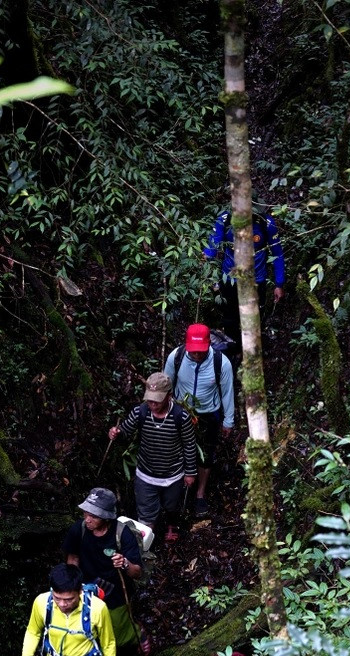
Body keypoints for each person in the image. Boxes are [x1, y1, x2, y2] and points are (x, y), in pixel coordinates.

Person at [108, 372, 196, 543]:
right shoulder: (140, 412)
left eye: (157, 399)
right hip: (146, 473)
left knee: (172, 505)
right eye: (150, 399)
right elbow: (126, 431)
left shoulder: (181, 417)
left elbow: (189, 445)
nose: (152, 403)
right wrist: (117, 433)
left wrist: (190, 472)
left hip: (173, 474)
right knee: (146, 511)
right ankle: (144, 545)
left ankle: (171, 525)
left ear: (169, 396)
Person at [63, 486, 151, 654]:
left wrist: (124, 563)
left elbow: (137, 572)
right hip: (86, 587)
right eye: (86, 513)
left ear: (106, 518)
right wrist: (72, 585)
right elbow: (73, 558)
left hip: (115, 591)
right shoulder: (78, 530)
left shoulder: (122, 534)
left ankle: (137, 634)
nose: (87, 519)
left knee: (119, 636)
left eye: (93, 516)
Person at [164, 323, 234, 517]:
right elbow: (166, 385)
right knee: (177, 449)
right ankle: (176, 490)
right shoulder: (176, 357)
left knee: (206, 454)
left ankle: (200, 494)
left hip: (208, 413)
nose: (196, 355)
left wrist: (228, 420)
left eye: (200, 352)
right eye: (193, 352)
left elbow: (228, 392)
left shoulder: (221, 363)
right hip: (181, 411)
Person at [203, 207, 286, 341]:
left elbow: (277, 253)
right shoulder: (225, 219)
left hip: (256, 281)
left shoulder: (266, 222)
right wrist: (210, 277)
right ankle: (232, 351)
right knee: (230, 319)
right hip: (230, 280)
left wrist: (279, 283)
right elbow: (211, 249)